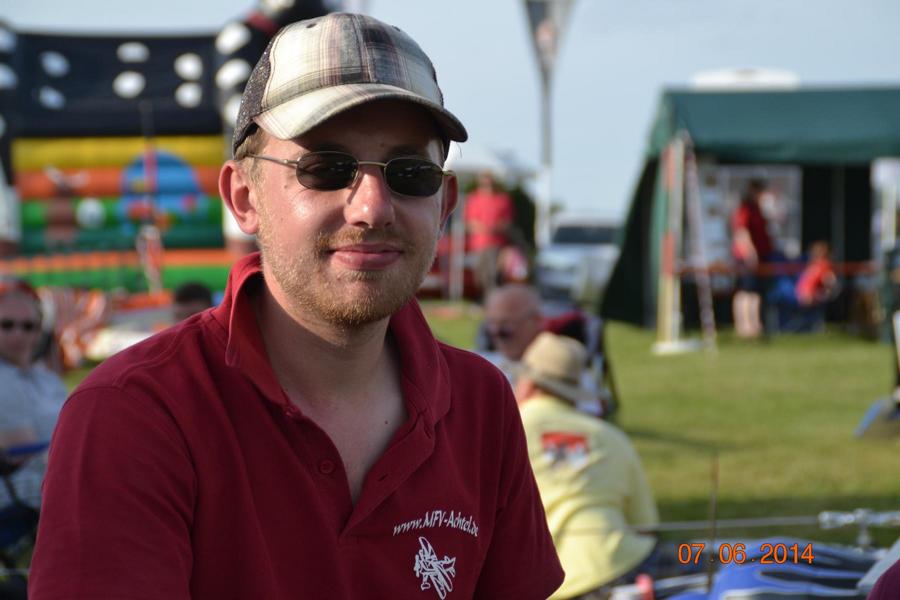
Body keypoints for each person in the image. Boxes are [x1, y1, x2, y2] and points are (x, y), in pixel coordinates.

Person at [29, 13, 563, 599]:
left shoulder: (481, 404)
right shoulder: (136, 414)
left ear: (444, 204)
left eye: (411, 173)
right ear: (244, 197)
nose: (372, 208)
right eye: (326, 168)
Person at [513, 333, 660, 599]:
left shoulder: (506, 429)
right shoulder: (611, 436)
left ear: (527, 384)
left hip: (549, 582)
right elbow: (645, 526)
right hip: (628, 566)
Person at [481, 283, 617, 416]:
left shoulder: (565, 369)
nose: (496, 332)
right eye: (491, 323)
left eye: (506, 325)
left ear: (536, 320)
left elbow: (587, 416)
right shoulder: (481, 364)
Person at [0, 279, 67, 511]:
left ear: (39, 332)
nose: (18, 334)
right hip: (25, 496)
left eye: (28, 326)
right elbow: (23, 453)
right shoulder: (3, 382)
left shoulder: (46, 377)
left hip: (59, 478)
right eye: (7, 325)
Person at [731, 179, 773, 338]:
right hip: (747, 257)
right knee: (745, 291)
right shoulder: (745, 209)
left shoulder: (757, 210)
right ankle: (744, 327)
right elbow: (742, 233)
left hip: (760, 256)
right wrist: (750, 253)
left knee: (755, 291)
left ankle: (755, 326)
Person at [464, 171, 515, 297]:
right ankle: (486, 298)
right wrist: (486, 228)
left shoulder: (502, 200)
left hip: (496, 245)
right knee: (481, 275)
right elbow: (470, 223)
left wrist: (493, 228)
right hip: (478, 245)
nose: (487, 187)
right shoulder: (474, 199)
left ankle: (492, 298)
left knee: (493, 274)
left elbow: (507, 223)